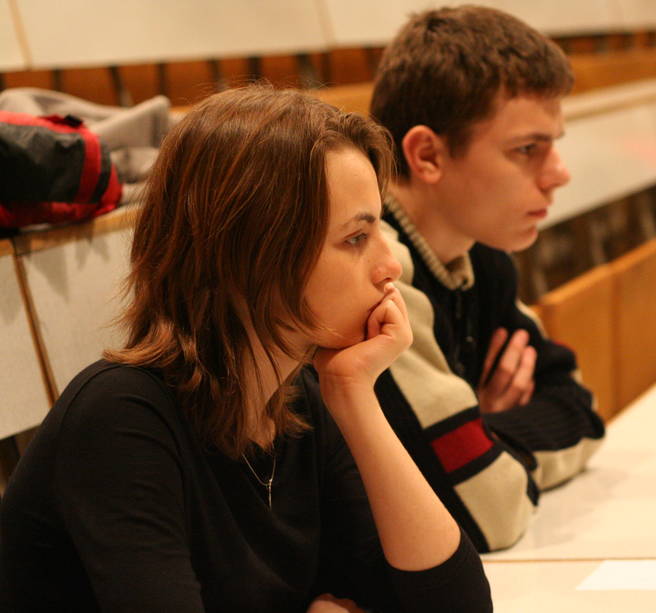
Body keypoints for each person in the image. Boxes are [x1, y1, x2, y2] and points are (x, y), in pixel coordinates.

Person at [0, 87, 491, 613]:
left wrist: (354, 396)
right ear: (251, 256)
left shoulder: (301, 401)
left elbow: (458, 605)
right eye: (355, 238)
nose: (389, 265)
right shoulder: (120, 419)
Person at [364, 6, 606, 553]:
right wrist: (478, 448)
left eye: (555, 143)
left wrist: (484, 437)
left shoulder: (482, 256)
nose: (559, 173)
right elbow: (486, 513)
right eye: (527, 149)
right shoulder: (377, 278)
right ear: (427, 155)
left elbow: (583, 411)